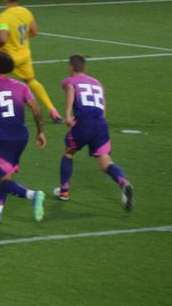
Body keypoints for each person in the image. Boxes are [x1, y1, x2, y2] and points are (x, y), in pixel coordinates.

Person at [0, 51, 47, 223]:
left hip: (2, 139)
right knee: (6, 175)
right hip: (22, 136)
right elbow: (36, 110)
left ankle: (33, 195)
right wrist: (40, 131)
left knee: (3, 181)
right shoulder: (21, 87)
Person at [54, 55, 134, 211]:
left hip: (84, 122)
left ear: (71, 67)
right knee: (105, 162)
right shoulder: (98, 83)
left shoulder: (69, 81)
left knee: (69, 152)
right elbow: (103, 103)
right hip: (100, 124)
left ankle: (64, 191)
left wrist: (68, 114)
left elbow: (70, 88)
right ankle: (123, 182)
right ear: (85, 67)